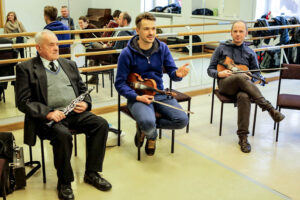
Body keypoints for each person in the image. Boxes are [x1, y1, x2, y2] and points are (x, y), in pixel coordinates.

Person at [15, 30, 112, 200]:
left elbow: (83, 90)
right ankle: (65, 182)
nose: (56, 48)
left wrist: (86, 103)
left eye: (57, 44)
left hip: (73, 113)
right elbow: (23, 102)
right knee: (62, 135)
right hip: (49, 119)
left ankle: (92, 173)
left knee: (101, 124)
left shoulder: (69, 64)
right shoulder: (26, 68)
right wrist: (49, 113)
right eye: (50, 45)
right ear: (38, 48)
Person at [115, 12, 189, 156]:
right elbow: (119, 83)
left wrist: (178, 75)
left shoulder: (163, 48)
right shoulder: (126, 53)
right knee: (148, 121)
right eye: (146, 29)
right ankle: (151, 136)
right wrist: (136, 98)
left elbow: (173, 72)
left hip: (159, 93)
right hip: (138, 96)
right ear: (137, 31)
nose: (151, 33)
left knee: (182, 120)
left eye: (153, 29)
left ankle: (145, 128)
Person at [207, 20, 285, 153]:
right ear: (231, 33)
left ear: (246, 33)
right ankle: (269, 108)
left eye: (241, 31)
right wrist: (219, 73)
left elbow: (257, 75)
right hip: (226, 85)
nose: (238, 34)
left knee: (244, 96)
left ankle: (243, 137)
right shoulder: (221, 48)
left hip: (243, 87)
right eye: (235, 31)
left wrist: (251, 77)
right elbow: (210, 70)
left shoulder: (250, 52)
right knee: (238, 77)